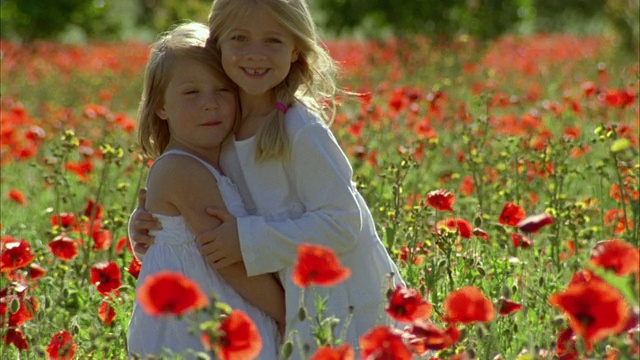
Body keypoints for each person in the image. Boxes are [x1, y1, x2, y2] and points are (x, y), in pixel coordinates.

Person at [130, 1, 405, 358]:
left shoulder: (299, 129)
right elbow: (199, 204)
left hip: (336, 300)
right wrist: (157, 225)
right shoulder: (225, 124)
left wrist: (246, 240)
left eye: (273, 41)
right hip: (285, 299)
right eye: (240, 38)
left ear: (296, 50)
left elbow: (344, 222)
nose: (255, 54)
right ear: (219, 46)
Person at [126, 21, 283, 360]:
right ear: (160, 106)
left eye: (222, 90)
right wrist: (290, 314)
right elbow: (225, 260)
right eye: (191, 92)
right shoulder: (181, 169)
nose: (210, 104)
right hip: (198, 330)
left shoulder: (222, 159)